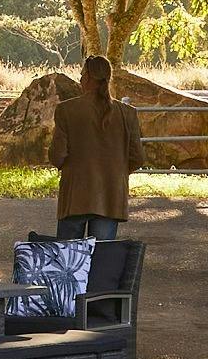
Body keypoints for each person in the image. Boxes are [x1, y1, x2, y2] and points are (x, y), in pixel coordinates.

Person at [49, 54, 147, 238]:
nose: (80, 79)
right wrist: (116, 171)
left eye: (81, 75)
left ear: (87, 77)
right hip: (111, 194)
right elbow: (138, 158)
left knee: (69, 259)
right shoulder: (127, 113)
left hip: (75, 195)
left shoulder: (66, 110)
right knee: (102, 257)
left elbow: (58, 155)